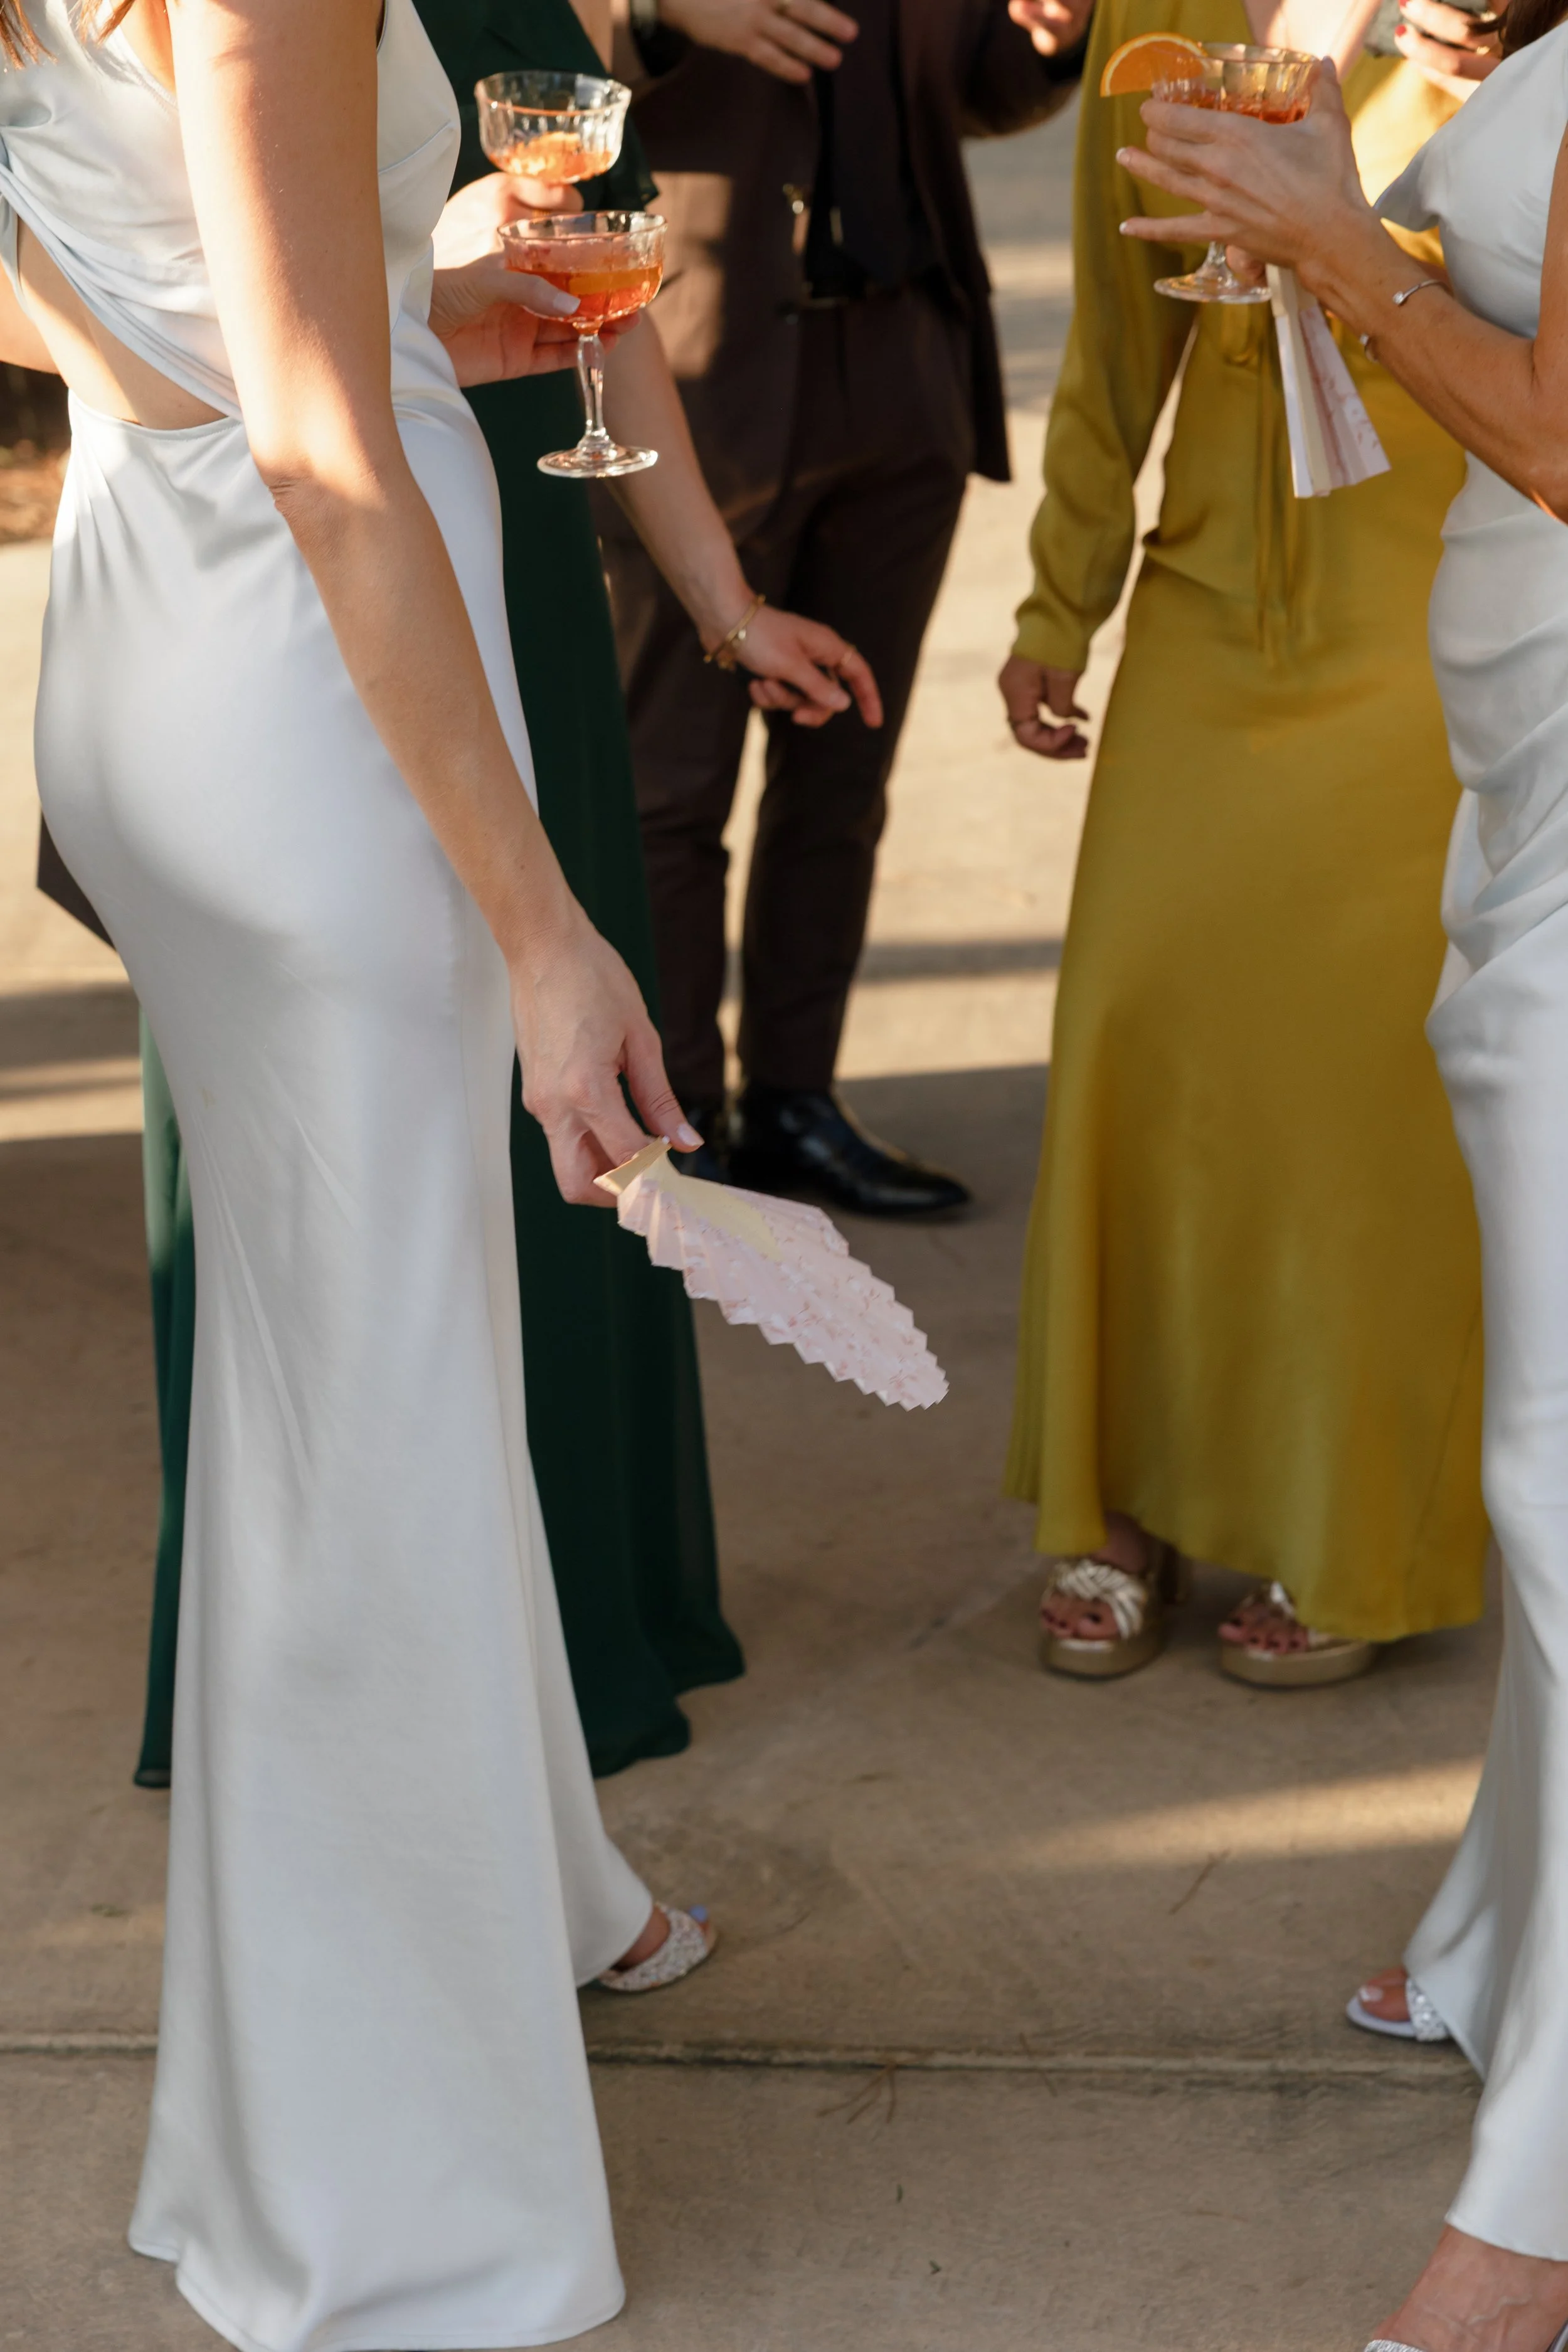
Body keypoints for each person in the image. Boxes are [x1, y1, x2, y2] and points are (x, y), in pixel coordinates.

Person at [0, 0, 716, 2339]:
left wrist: (375, 308)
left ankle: (521, 1907)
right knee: (370, 1422)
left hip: (167, 605)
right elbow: (325, 458)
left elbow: (151, 281)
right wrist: (545, 932)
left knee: (348, 1379)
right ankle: (380, 2204)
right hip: (308, 690)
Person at [112, 0, 880, 1793]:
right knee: (373, 1169)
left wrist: (719, 602)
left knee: (567, 1134)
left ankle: (572, 1631)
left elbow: (606, 302)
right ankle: (355, 1713)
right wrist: (391, 300)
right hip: (338, 578)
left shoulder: (558, 5)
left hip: (517, 560)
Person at [1117, 13, 1568, 2343]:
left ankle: (1541, 2221)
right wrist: (1359, 220)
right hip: (1530, 770)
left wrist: (1342, 254)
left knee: (1564, 1474)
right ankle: (1516, 1929)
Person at [999, 0, 1490, 1688]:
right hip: (1205, 604)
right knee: (1134, 1034)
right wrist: (1060, 597)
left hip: (1426, 612)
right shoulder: (1158, 17)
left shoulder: (1497, 25)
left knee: (1356, 1094)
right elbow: (1112, 328)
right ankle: (1119, 1493)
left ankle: (1346, 1527)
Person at [590, 0, 1093, 1214]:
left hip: (908, 371)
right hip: (694, 373)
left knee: (843, 773)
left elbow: (972, 89)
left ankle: (792, 1102)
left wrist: (1047, 42)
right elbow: (519, 61)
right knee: (668, 790)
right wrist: (662, 10)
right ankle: (674, 1128)